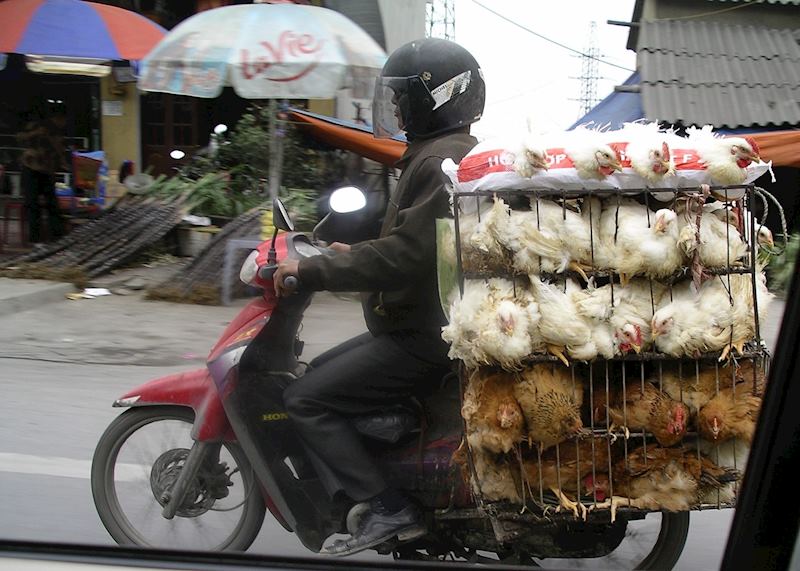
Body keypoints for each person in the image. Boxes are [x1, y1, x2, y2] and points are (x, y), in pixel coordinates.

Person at [274, 38, 485, 556]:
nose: (396, 108)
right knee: (315, 374)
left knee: (305, 398)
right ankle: (389, 464)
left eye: (404, 97)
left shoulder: (439, 163)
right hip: (417, 325)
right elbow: (413, 247)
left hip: (421, 337)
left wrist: (315, 270)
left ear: (437, 97)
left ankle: (389, 507)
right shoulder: (437, 156)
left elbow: (406, 257)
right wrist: (353, 252)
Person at [18, 103, 68, 243]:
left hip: (47, 169)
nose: (63, 124)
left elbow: (59, 149)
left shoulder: (57, 131)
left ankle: (56, 236)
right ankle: (35, 239)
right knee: (33, 203)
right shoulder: (36, 126)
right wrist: (36, 133)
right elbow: (20, 137)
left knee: (52, 203)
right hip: (31, 167)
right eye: (62, 120)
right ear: (57, 118)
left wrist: (62, 161)